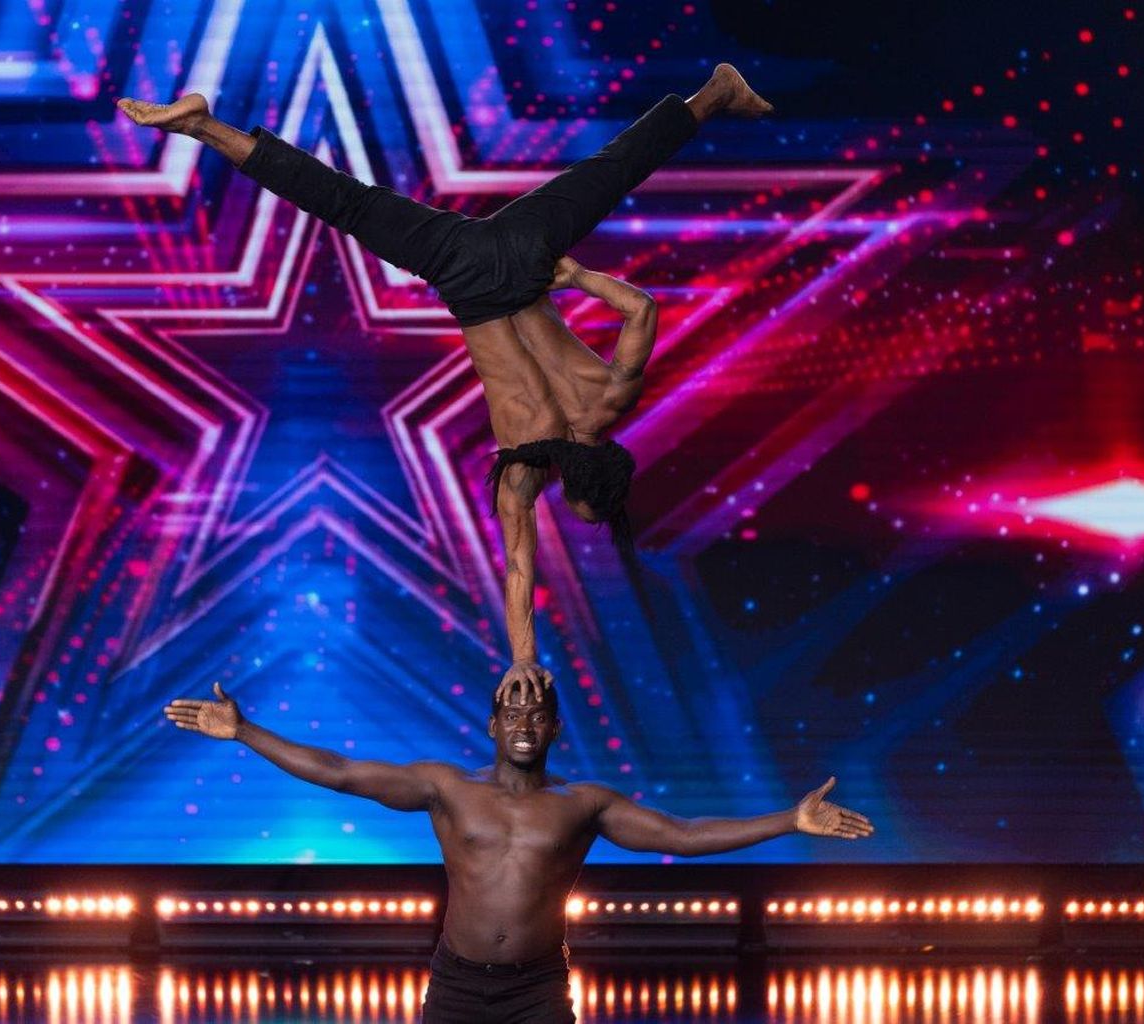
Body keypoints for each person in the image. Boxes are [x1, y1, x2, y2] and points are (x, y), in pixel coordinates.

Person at [119, 65, 775, 698]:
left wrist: (578, 279)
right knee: (342, 201)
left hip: (528, 253)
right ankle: (202, 127)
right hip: (463, 274)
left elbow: (641, 309)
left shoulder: (609, 401)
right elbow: (519, 571)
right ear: (572, 481)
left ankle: (715, 91)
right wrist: (523, 659)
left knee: (615, 167)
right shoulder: (522, 468)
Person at [163, 681, 874, 1023]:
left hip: (537, 991)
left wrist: (789, 820)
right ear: (493, 724)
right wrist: (245, 730)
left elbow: (683, 837)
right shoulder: (447, 788)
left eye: (538, 715)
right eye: (513, 713)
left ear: (556, 729)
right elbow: (340, 771)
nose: (525, 722)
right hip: (456, 987)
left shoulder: (583, 803)